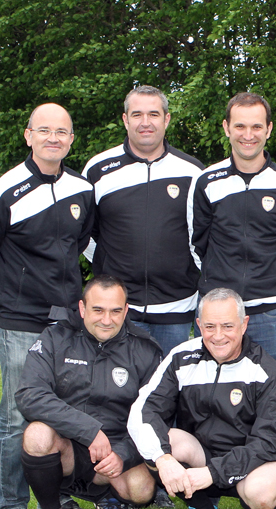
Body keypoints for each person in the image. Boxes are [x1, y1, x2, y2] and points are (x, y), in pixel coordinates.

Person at [0, 102, 95, 509]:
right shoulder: (4, 190)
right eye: (44, 131)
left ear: (71, 139)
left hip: (68, 323)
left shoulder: (82, 189)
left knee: (66, 409)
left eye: (62, 131)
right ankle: (10, 502)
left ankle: (59, 493)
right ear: (28, 136)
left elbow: (82, 247)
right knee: (17, 414)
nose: (53, 138)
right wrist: (10, 298)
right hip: (21, 322)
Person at [128, 288, 276, 509]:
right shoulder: (181, 358)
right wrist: (163, 459)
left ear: (244, 324)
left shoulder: (266, 369)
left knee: (262, 497)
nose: (218, 336)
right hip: (200, 457)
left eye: (227, 326)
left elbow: (270, 441)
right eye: (209, 326)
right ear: (198, 325)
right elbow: (144, 411)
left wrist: (214, 472)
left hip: (251, 464)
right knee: (160, 443)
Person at [15, 276, 162, 509]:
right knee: (36, 435)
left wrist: (125, 455)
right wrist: (88, 430)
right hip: (69, 443)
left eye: (115, 311)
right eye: (98, 310)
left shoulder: (145, 350)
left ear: (126, 311)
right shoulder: (55, 338)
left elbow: (156, 414)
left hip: (116, 446)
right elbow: (29, 394)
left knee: (142, 491)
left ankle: (109, 498)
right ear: (82, 309)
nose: (107, 319)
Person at [188, 92, 276, 375]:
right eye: (240, 126)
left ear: (268, 129)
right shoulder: (207, 182)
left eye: (257, 126)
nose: (248, 135)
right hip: (218, 312)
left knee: (273, 394)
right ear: (226, 128)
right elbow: (197, 243)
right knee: (210, 392)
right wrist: (217, 281)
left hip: (271, 313)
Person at [81, 85, 204, 354]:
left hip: (177, 307)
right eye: (137, 115)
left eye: (153, 114)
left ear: (166, 119)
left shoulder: (193, 171)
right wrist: (108, 261)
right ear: (125, 120)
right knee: (117, 392)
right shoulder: (98, 169)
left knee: (171, 390)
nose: (145, 123)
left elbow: (203, 234)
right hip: (118, 310)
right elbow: (84, 233)